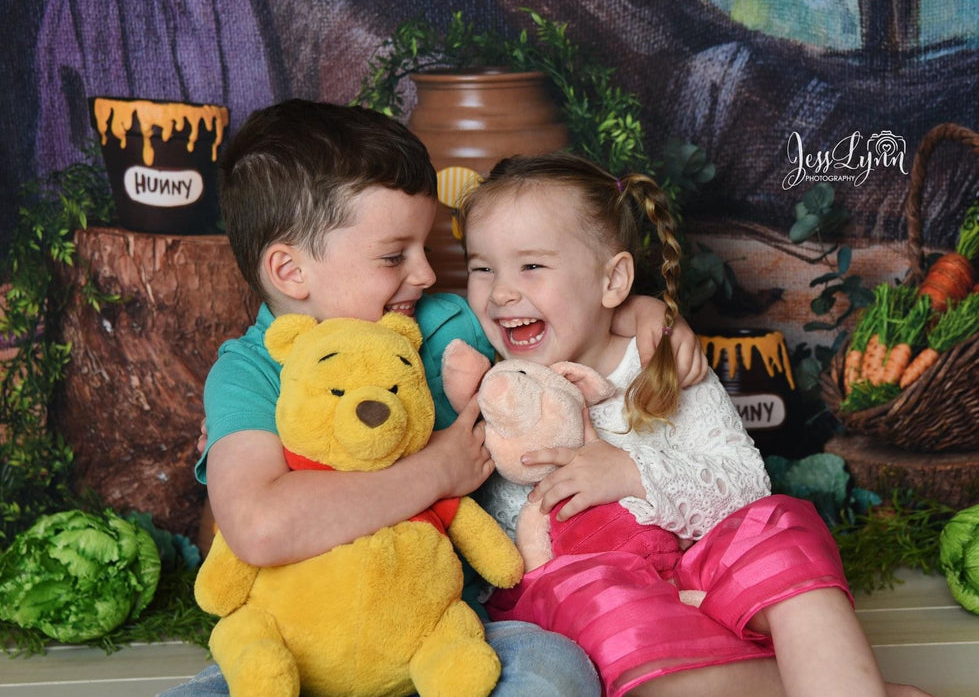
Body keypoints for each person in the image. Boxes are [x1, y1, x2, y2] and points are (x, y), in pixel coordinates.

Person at [159, 99, 709, 697]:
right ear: (290, 271)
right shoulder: (248, 373)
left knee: (556, 669)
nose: (425, 274)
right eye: (394, 255)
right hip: (293, 647)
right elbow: (260, 527)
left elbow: (552, 317)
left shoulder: (445, 323)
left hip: (447, 633)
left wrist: (640, 311)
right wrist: (438, 471)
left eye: (424, 247)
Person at [457, 151, 931, 697]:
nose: (500, 292)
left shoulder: (661, 364)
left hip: (710, 584)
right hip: (617, 616)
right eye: (481, 268)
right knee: (598, 607)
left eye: (532, 267)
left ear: (613, 281)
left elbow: (745, 488)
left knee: (781, 531)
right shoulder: (485, 384)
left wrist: (631, 473)